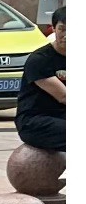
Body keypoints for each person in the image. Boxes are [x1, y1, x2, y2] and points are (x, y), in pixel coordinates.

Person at [19, 9, 63, 154]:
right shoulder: (40, 60)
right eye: (62, 29)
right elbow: (63, 96)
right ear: (54, 29)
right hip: (35, 121)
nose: (66, 35)